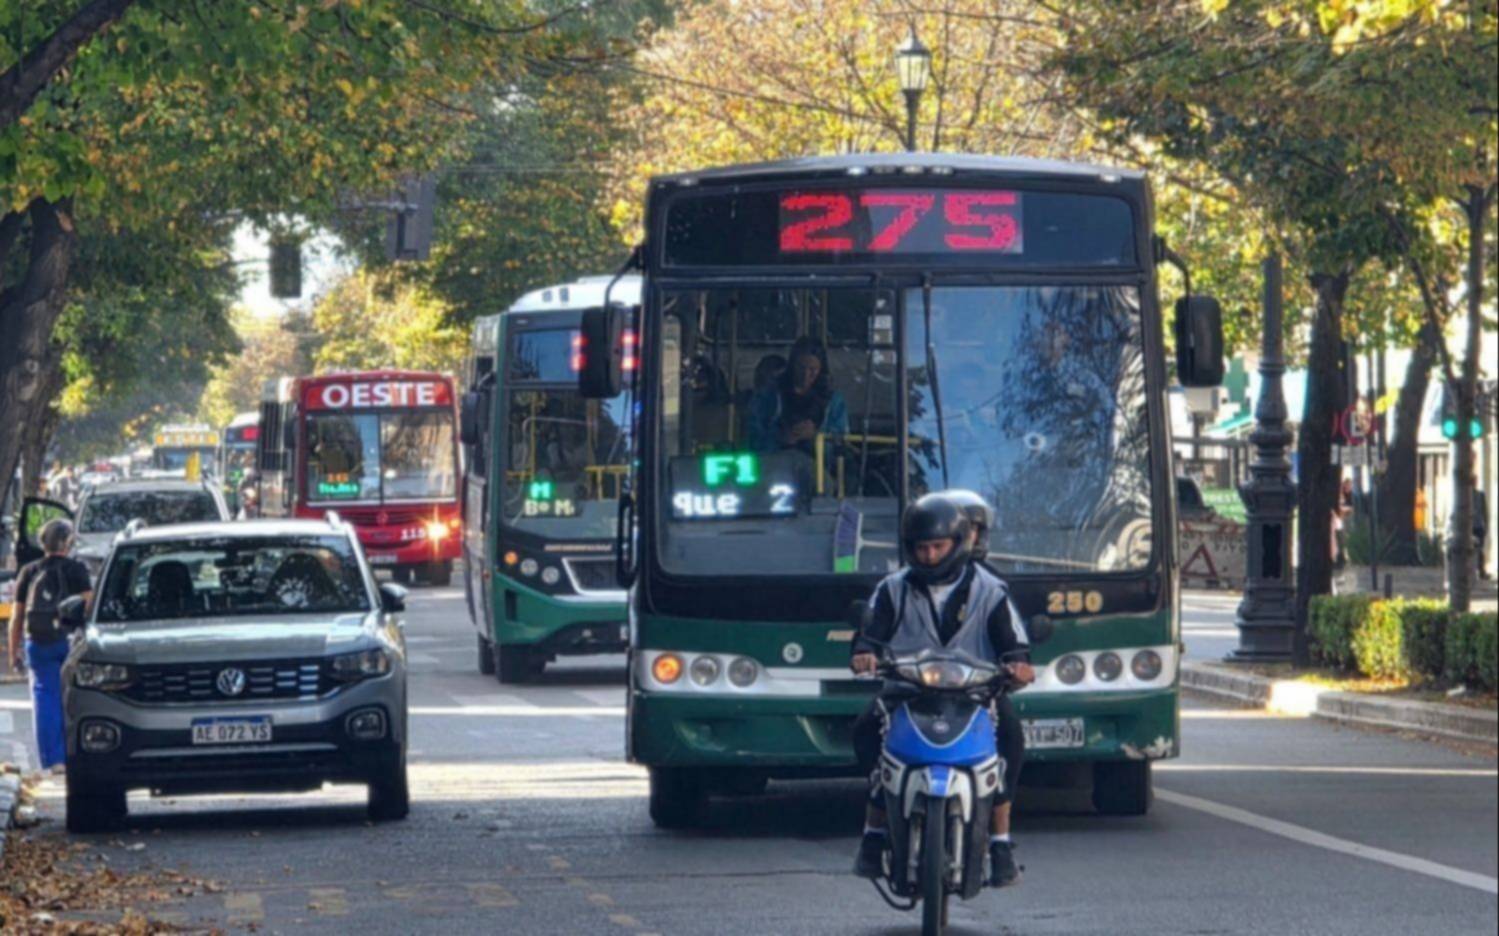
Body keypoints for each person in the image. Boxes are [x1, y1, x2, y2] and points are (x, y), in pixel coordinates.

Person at [850, 494, 1035, 887]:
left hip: (976, 692)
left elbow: (1014, 643)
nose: (930, 556)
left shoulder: (991, 590)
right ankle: (873, 833)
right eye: (922, 548)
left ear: (959, 543)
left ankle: (1001, 845)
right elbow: (869, 634)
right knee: (865, 729)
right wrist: (864, 654)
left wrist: (1019, 665)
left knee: (1011, 737)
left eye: (938, 546)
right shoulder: (892, 589)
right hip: (907, 690)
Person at [6, 519, 93, 773]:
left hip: (38, 641)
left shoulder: (29, 571)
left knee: (45, 697)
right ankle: (78, 754)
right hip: (70, 642)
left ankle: (54, 761)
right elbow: (89, 607)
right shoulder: (77, 570)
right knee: (76, 697)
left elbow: (17, 617)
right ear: (67, 543)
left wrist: (14, 652)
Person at [747, 336, 848, 455]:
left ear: (821, 369)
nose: (806, 374)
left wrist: (815, 436)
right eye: (801, 367)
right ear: (792, 365)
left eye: (812, 369)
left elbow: (841, 443)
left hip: (817, 464)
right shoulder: (768, 396)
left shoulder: (833, 401)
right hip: (774, 461)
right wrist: (779, 437)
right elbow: (752, 436)